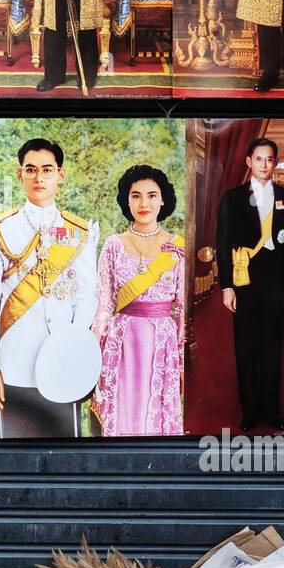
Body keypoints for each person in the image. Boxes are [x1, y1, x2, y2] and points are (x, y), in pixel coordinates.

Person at [0, 138, 99, 438]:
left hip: (62, 365)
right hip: (13, 362)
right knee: (10, 459)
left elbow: (86, 298)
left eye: (47, 169)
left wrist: (72, 348)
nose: (39, 177)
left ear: (61, 174)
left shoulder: (78, 232)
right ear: (20, 175)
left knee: (65, 457)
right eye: (31, 170)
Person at [90, 165, 184, 436]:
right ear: (126, 200)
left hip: (162, 340)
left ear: (163, 199)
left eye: (152, 195)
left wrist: (181, 353)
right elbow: (104, 304)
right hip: (121, 340)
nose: (144, 203)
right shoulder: (113, 244)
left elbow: (181, 305)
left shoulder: (177, 247)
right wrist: (93, 349)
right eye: (136, 196)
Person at [215, 137, 284, 430]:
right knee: (247, 347)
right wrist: (226, 285)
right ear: (249, 162)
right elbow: (223, 243)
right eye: (259, 159)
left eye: (270, 160)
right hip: (244, 279)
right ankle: (250, 411)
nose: (265, 165)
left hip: (276, 280)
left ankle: (271, 410)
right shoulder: (232, 198)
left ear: (275, 163)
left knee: (274, 348)